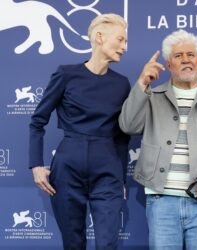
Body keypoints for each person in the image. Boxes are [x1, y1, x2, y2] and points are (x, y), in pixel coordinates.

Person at [119, 29, 197, 250]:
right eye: (178, 56)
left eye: (190, 55)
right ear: (168, 64)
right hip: (161, 201)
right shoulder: (152, 97)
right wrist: (143, 82)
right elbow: (128, 125)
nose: (186, 60)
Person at [29, 14, 130, 250]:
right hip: (68, 167)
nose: (124, 47)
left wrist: (121, 178)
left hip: (108, 169)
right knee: (73, 243)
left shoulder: (122, 83)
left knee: (107, 243)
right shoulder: (66, 74)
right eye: (120, 39)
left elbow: (123, 136)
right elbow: (37, 121)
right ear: (99, 37)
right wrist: (36, 165)